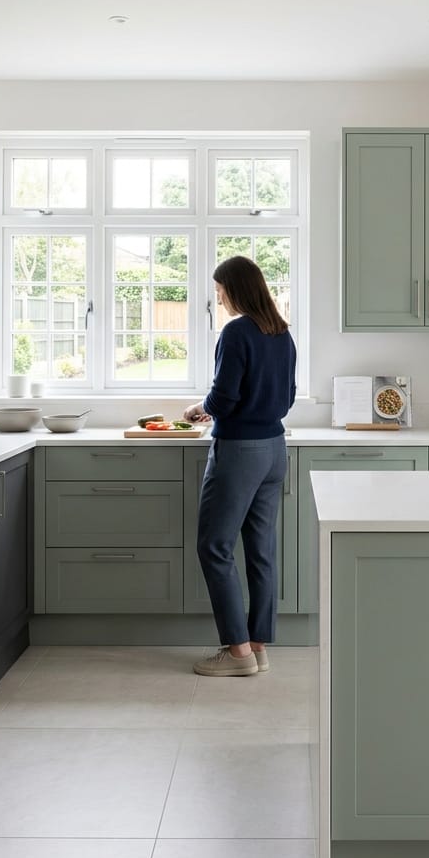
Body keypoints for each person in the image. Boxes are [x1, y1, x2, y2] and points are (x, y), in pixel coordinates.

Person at [184, 256, 296, 676]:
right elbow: (287, 396)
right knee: (260, 550)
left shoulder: (236, 332)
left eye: (220, 291)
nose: (219, 299)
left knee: (214, 547)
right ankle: (257, 646)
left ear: (235, 289)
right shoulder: (281, 332)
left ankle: (237, 653)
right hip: (274, 449)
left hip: (239, 451)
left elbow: (224, 396)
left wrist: (201, 408)